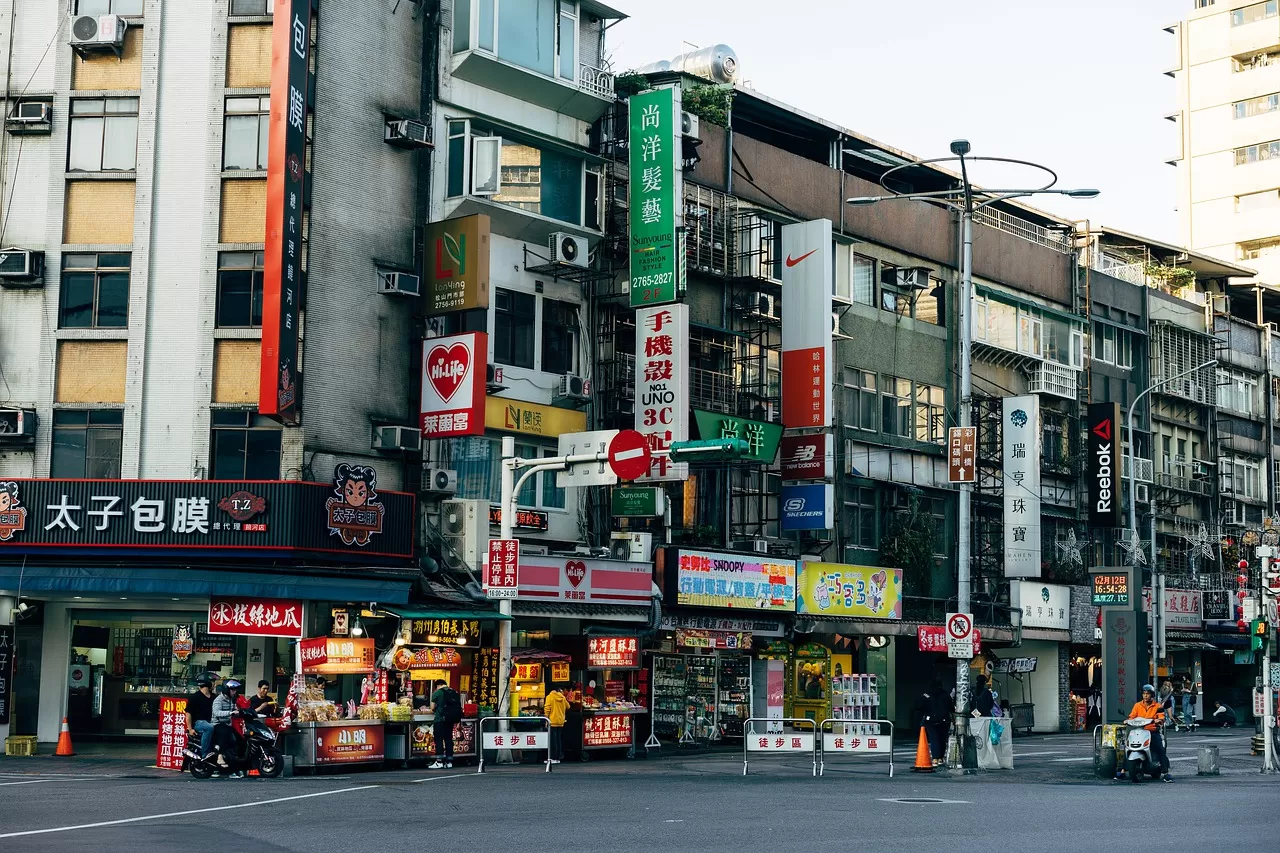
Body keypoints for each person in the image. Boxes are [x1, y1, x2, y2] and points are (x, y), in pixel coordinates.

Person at [1128, 683, 1172, 782]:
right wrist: (1128, 720)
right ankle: (1122, 770)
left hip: (1152, 731)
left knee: (1160, 749)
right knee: (1128, 747)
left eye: (1148, 694)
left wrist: (1158, 720)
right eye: (1144, 694)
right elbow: (1132, 716)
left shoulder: (1157, 706)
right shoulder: (1137, 705)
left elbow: (1161, 717)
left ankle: (1166, 773)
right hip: (1139, 730)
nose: (1145, 696)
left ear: (1152, 695)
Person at [211, 678, 250, 773]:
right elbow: (216, 712)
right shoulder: (218, 700)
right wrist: (230, 713)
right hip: (217, 724)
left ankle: (240, 764)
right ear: (226, 690)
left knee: (241, 741)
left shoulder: (231, 700)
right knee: (226, 734)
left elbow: (235, 709)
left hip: (228, 724)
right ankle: (220, 756)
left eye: (235, 690)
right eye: (233, 690)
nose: (234, 692)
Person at [428, 678, 462, 769]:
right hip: (450, 720)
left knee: (438, 740)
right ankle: (449, 762)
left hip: (440, 719)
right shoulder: (454, 692)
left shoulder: (438, 692)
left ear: (437, 686)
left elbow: (432, 707)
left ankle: (439, 762)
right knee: (448, 739)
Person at [185, 673, 217, 760]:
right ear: (207, 683)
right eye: (212, 682)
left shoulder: (214, 697)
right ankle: (205, 754)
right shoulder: (195, 697)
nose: (214, 684)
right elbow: (188, 714)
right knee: (209, 728)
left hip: (211, 721)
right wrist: (190, 729)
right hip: (198, 723)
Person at [544, 686, 569, 764]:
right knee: (558, 740)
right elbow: (568, 706)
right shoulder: (563, 697)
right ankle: (558, 757)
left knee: (552, 740)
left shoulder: (549, 697)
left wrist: (546, 719)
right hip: (561, 721)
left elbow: (547, 708)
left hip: (552, 721)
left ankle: (552, 758)